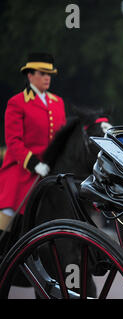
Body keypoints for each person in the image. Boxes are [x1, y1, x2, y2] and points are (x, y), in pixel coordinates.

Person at [0, 53, 66, 232]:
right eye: (42, 73)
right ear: (30, 75)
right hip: (21, 172)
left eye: (49, 74)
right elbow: (13, 143)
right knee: (6, 223)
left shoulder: (57, 103)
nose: (47, 78)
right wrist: (34, 164)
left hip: (49, 172)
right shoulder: (17, 103)